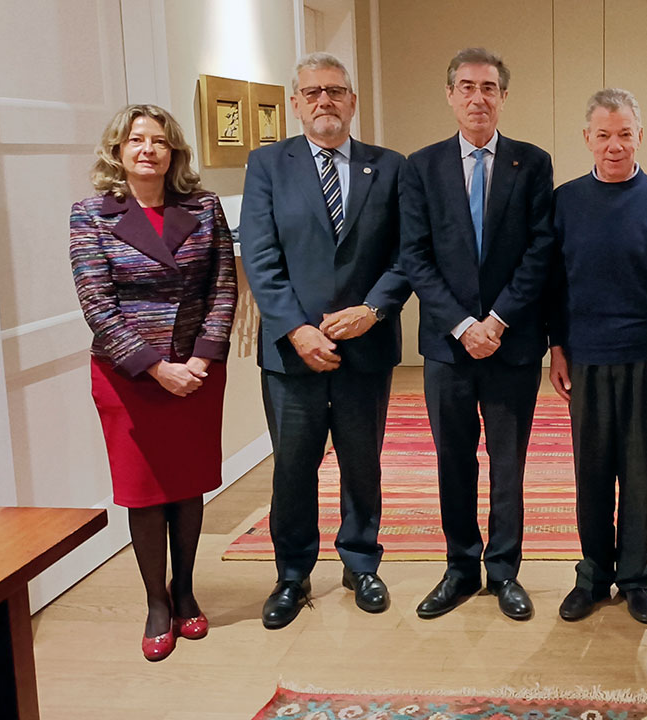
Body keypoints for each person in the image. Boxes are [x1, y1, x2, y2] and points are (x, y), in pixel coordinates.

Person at [240, 52, 411, 629]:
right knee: (294, 465)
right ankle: (292, 574)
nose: (324, 102)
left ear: (352, 101)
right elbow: (261, 257)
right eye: (312, 93)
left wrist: (373, 309)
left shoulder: (389, 166)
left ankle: (361, 562)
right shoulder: (267, 164)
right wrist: (296, 328)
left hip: (365, 346)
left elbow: (406, 254)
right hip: (292, 353)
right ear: (295, 102)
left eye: (335, 92)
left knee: (362, 462)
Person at [70, 104, 236, 661]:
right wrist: (155, 365)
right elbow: (97, 303)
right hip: (130, 376)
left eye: (159, 141)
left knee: (188, 488)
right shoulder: (90, 214)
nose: (148, 150)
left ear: (174, 152)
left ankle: (186, 592)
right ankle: (156, 602)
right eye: (137, 140)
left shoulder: (205, 207)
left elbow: (223, 289)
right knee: (144, 494)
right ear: (118, 150)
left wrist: (202, 361)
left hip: (195, 375)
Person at [400, 47, 554, 621]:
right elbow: (415, 256)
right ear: (450, 95)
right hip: (447, 345)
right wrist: (464, 324)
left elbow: (541, 250)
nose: (477, 98)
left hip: (511, 343)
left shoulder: (531, 163)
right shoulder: (421, 166)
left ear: (504, 96)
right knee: (453, 459)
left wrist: (498, 320)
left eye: (489, 87)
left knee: (508, 460)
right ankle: (460, 566)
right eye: (466, 87)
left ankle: (505, 570)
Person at [548, 88, 647, 624]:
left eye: (625, 134)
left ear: (640, 136)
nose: (615, 145)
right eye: (604, 135)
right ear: (587, 138)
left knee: (639, 473)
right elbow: (553, 286)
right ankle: (592, 574)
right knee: (591, 472)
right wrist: (557, 347)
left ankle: (636, 577)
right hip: (586, 359)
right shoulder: (564, 201)